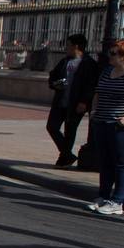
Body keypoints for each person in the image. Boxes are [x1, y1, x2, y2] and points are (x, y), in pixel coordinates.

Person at [47, 34, 99, 168]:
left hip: (76, 103)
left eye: (68, 45)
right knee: (52, 126)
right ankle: (67, 154)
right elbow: (53, 76)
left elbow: (91, 85)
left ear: (76, 46)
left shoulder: (89, 63)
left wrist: (84, 101)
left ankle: (64, 158)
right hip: (61, 101)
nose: (66, 48)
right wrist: (54, 83)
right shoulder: (64, 61)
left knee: (70, 130)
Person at [88, 39, 124, 215]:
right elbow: (98, 91)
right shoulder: (108, 71)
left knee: (120, 163)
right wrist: (94, 111)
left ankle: (117, 200)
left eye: (114, 53)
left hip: (118, 125)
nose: (109, 56)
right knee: (105, 161)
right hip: (101, 121)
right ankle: (103, 196)